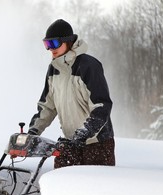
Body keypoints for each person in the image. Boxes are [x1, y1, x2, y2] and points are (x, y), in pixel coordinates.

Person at [28, 19, 115, 169]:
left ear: (67, 41)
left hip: (96, 144)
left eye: (54, 44)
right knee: (62, 186)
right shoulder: (53, 69)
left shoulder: (88, 66)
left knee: (94, 190)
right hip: (71, 143)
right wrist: (33, 132)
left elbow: (102, 106)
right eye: (47, 45)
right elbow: (47, 106)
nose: (50, 49)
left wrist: (85, 133)